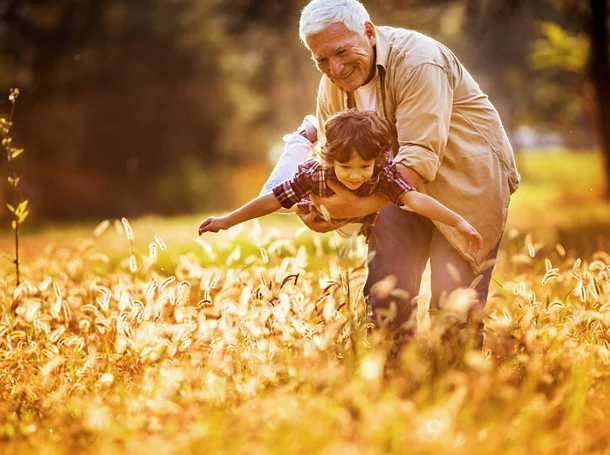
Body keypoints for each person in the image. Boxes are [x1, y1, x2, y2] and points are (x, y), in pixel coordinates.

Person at [260, 0, 520, 339]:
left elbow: (415, 163)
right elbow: (332, 160)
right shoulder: (332, 86)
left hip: (464, 186)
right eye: (321, 59)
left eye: (341, 52)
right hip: (392, 191)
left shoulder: (419, 62)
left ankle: (461, 384)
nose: (334, 69)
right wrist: (324, 211)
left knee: (453, 311)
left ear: (368, 32)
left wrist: (351, 208)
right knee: (386, 303)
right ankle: (394, 385)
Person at [199, 110, 483, 257]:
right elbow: (271, 199)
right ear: (331, 159)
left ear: (378, 160)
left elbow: (416, 200)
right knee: (278, 198)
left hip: (351, 213)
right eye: (346, 166)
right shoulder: (315, 172)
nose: (356, 175)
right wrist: (227, 220)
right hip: (313, 197)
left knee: (354, 218)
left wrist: (457, 221)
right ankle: (303, 136)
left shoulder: (383, 173)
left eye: (364, 167)